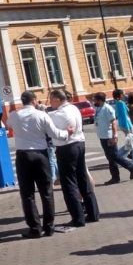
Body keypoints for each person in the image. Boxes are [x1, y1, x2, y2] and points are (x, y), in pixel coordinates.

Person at [7, 90, 75, 239]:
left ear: (22, 101)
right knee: (46, 192)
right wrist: (67, 133)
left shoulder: (14, 115)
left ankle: (35, 228)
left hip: (23, 155)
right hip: (40, 155)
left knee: (27, 194)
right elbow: (54, 133)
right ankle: (49, 227)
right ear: (34, 101)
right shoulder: (42, 115)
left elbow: (8, 125)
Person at [48, 89, 100, 227]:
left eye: (51, 100)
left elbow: (48, 127)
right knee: (83, 179)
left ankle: (78, 217)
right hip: (79, 144)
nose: (50, 103)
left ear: (58, 100)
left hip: (66, 148)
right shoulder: (74, 108)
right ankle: (93, 213)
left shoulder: (57, 114)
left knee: (69, 183)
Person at [93, 92, 133, 184]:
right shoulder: (99, 108)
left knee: (115, 156)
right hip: (102, 136)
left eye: (95, 100)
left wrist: (115, 136)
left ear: (99, 100)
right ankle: (115, 177)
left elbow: (113, 123)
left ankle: (131, 167)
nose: (93, 101)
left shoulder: (107, 109)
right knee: (110, 157)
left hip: (109, 136)